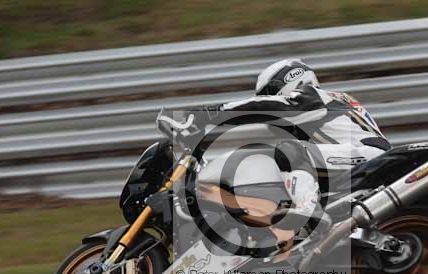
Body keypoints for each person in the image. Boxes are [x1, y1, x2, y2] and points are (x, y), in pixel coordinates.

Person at [160, 59, 390, 227]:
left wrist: (208, 114)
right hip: (357, 158)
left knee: (289, 151)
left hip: (368, 154)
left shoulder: (314, 96)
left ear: (291, 79)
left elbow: (268, 108)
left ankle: (308, 209)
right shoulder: (322, 111)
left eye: (270, 93)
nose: (269, 98)